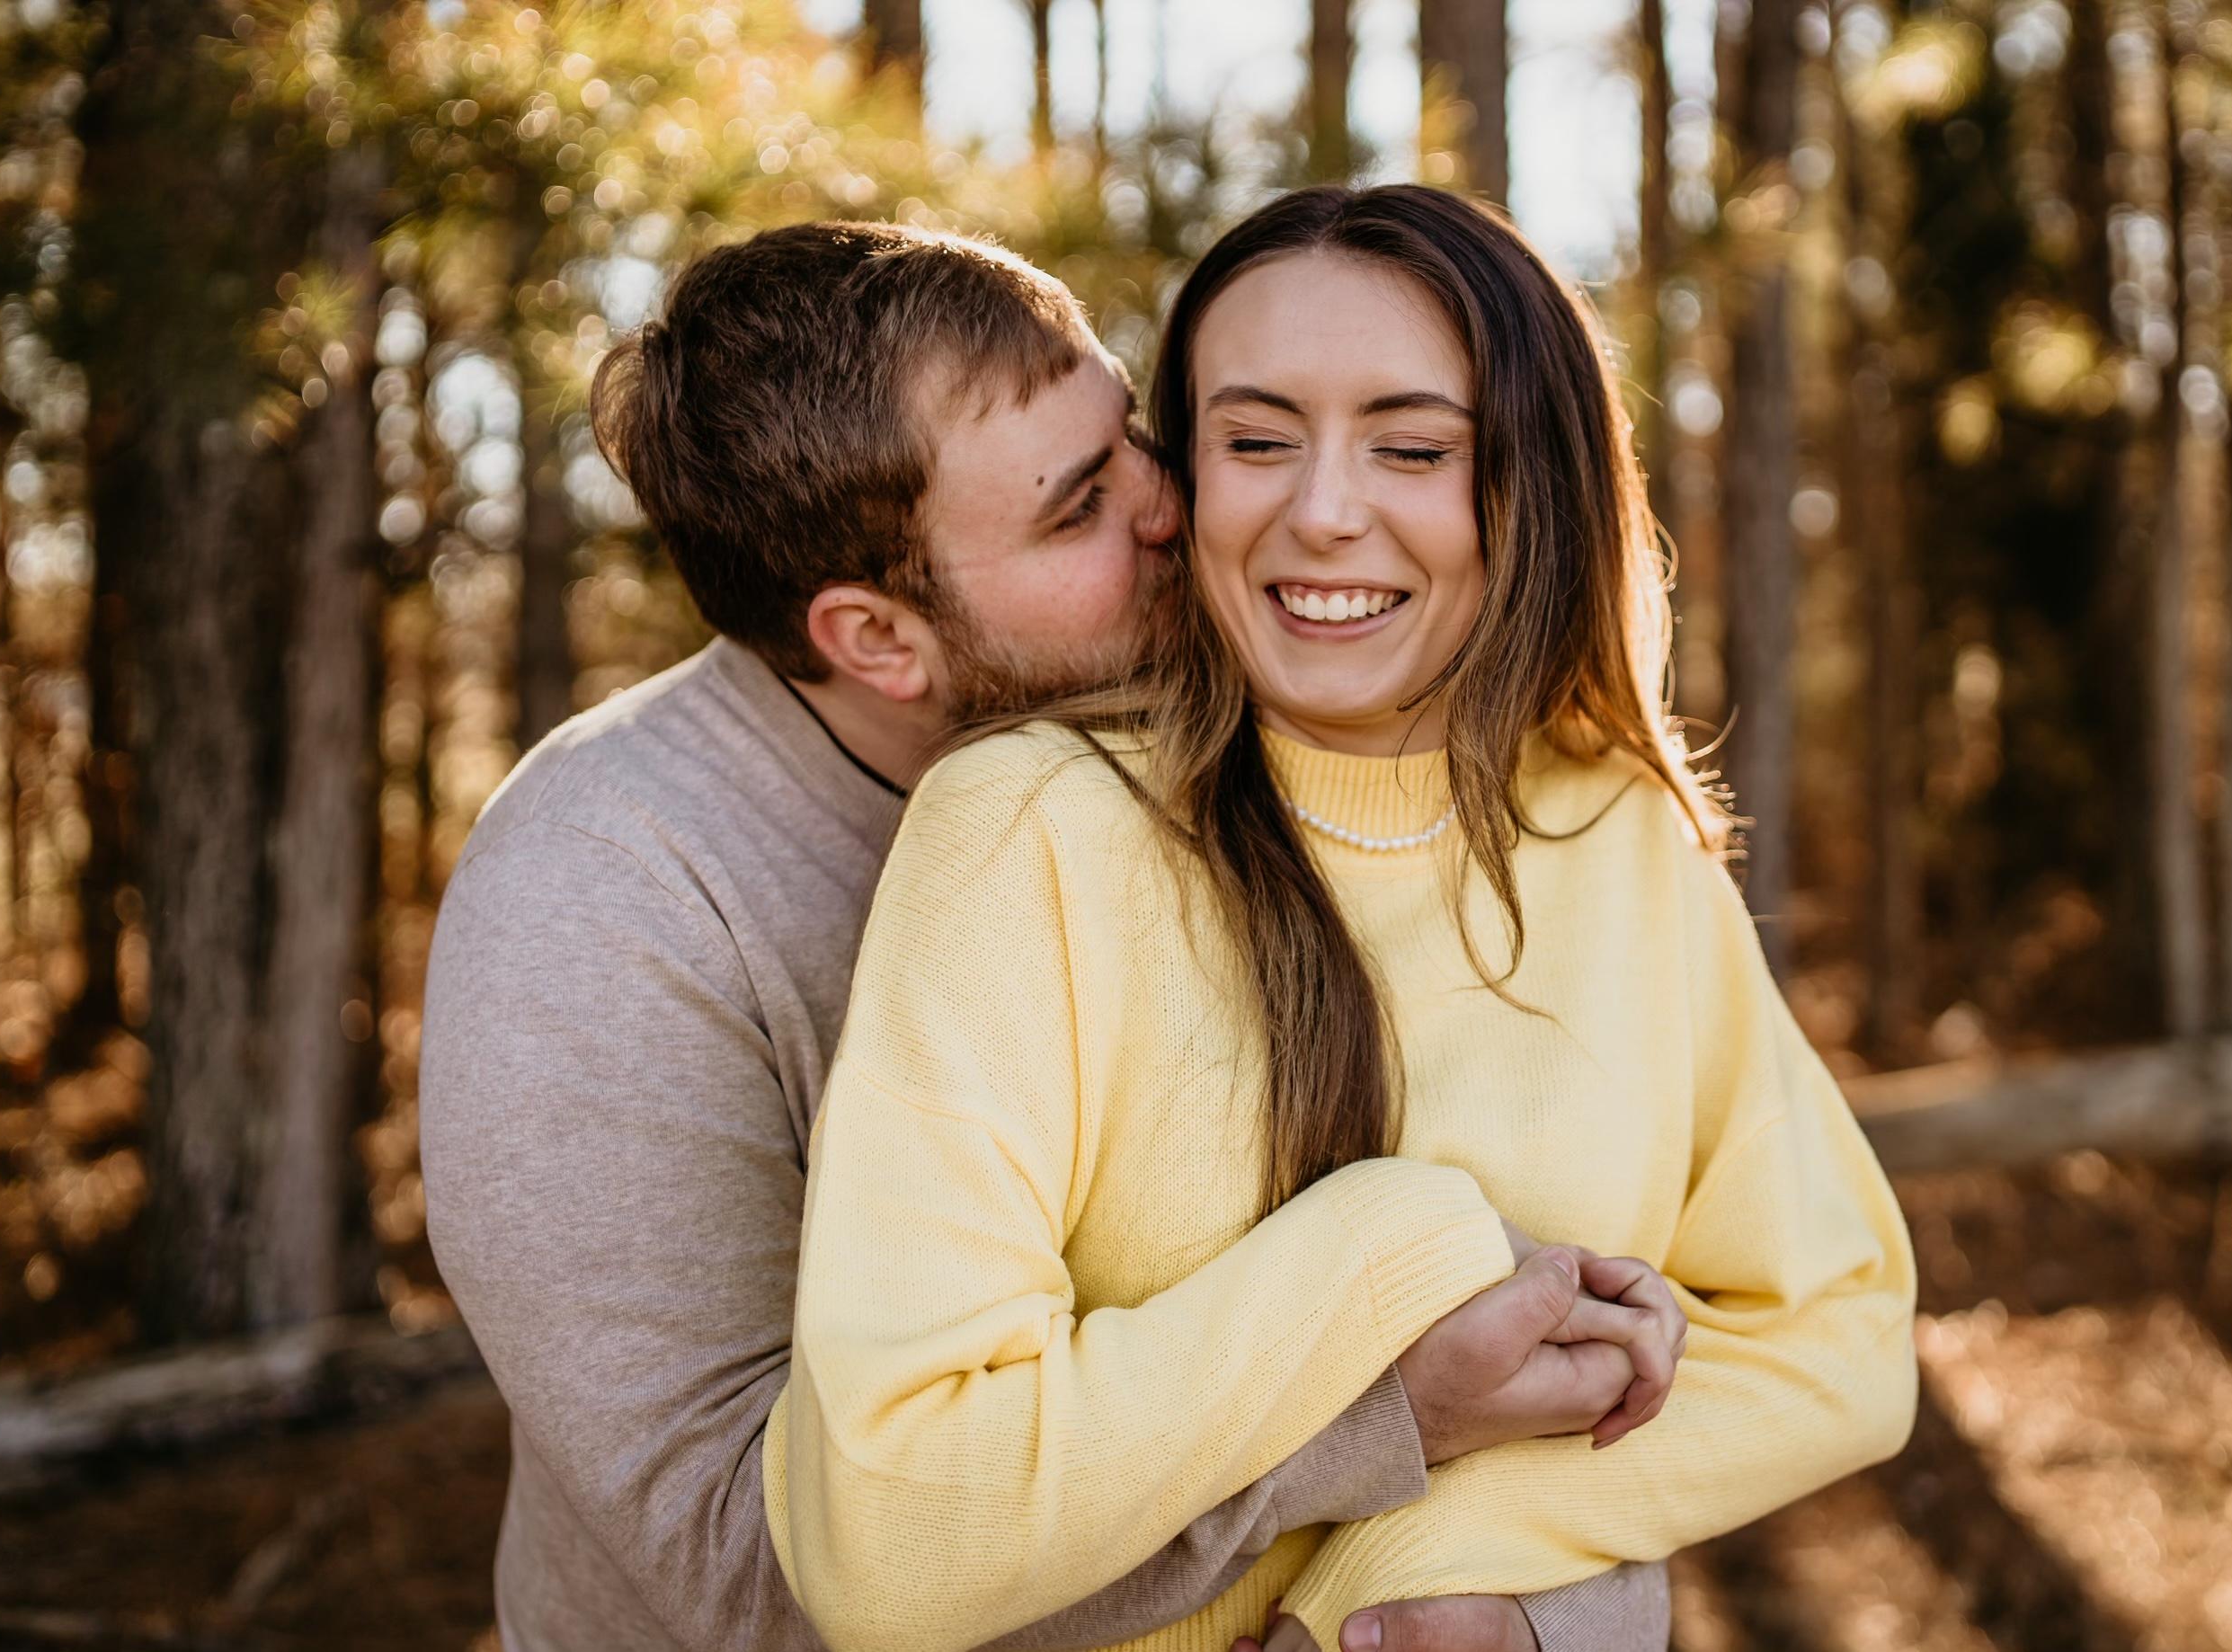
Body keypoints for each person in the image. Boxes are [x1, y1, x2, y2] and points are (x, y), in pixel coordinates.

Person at [420, 220, 1671, 1652]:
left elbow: (1585, 1296)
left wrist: (1552, 1609)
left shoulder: (1242, 731)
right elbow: (769, 1582)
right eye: (1076, 510)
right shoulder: (599, 905)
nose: (1167, 501)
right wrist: (1375, 1421)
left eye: (1133, 431)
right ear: (879, 639)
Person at [771, 185, 1922, 1652]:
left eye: (1413, 447)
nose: (1320, 509)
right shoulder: (1031, 833)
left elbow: (1837, 1331)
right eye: (1254, 441)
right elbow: (885, 1531)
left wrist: (1459, 1559)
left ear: (1533, 483)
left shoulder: (1616, 824)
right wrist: (1382, 1250)